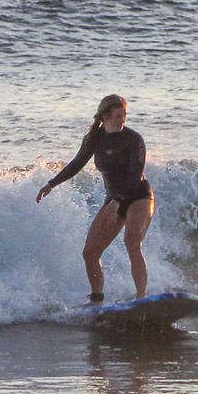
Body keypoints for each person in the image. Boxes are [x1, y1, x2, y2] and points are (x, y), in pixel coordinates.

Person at [36, 94, 154, 303]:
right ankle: (97, 299)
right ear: (105, 117)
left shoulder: (134, 139)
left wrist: (118, 200)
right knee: (90, 252)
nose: (122, 120)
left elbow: (135, 176)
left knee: (132, 241)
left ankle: (141, 299)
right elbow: (77, 163)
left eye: (124, 115)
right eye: (118, 116)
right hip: (114, 198)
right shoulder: (95, 138)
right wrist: (51, 184)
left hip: (138, 195)